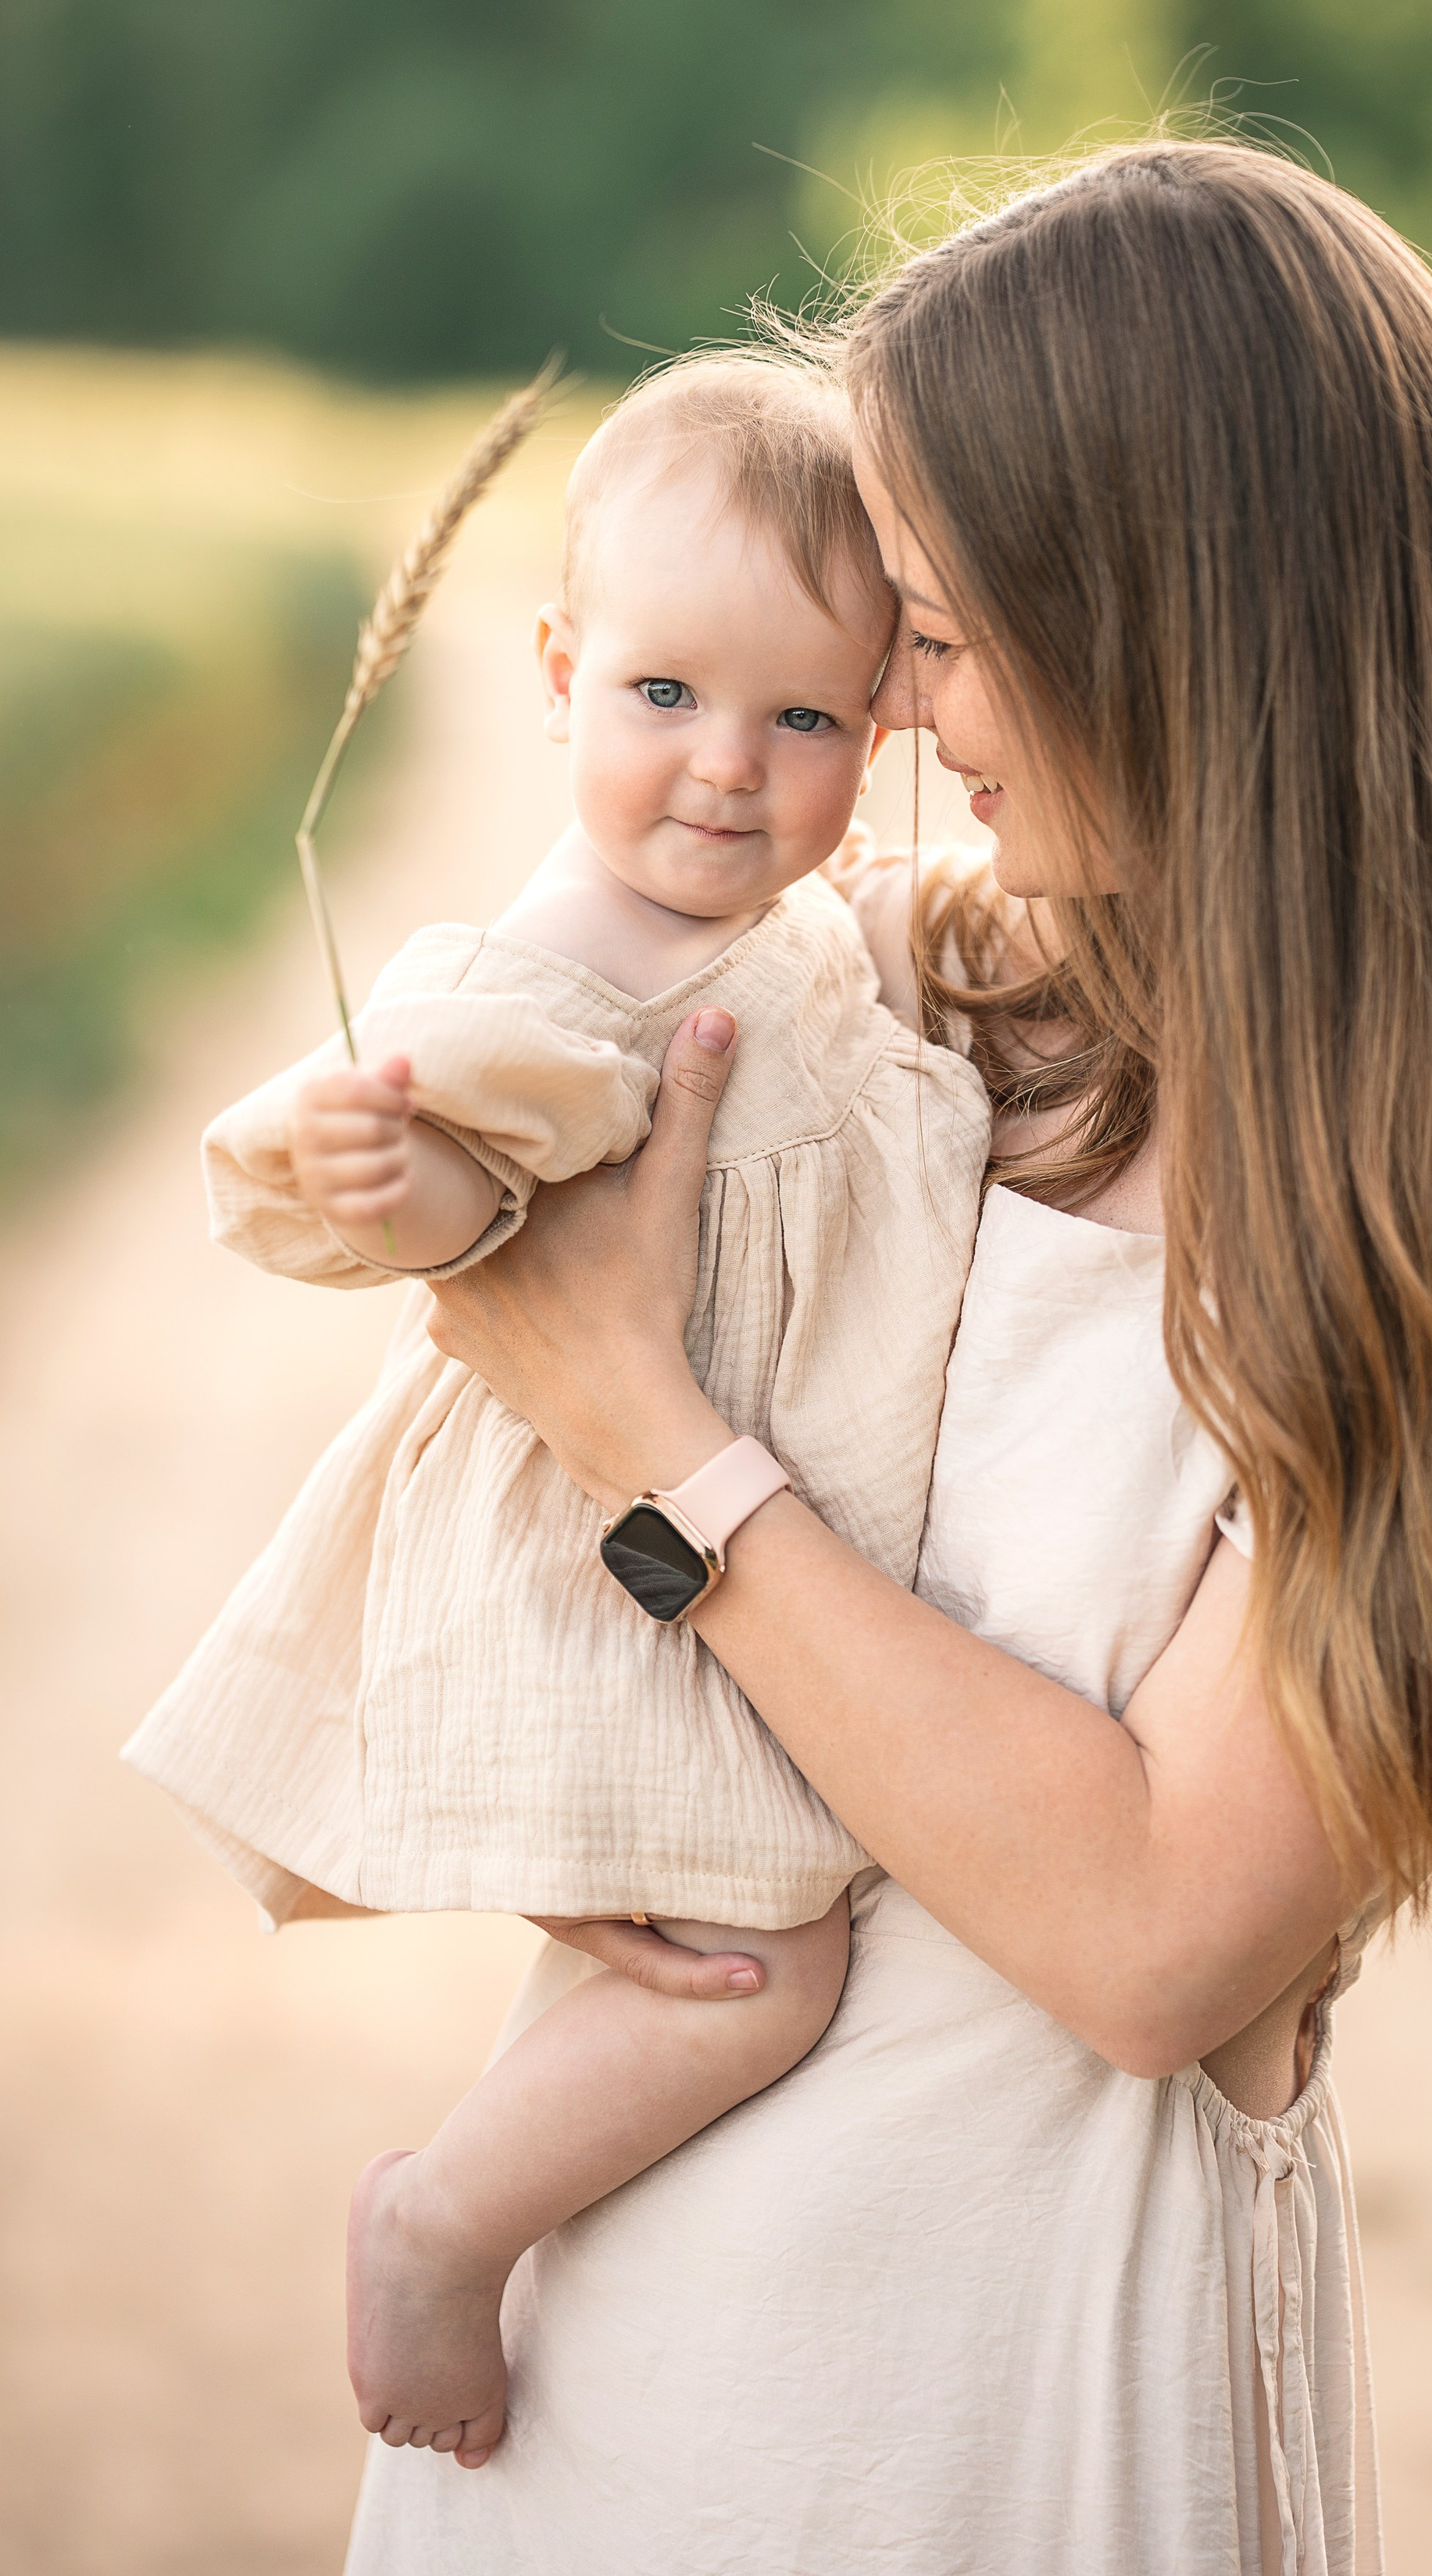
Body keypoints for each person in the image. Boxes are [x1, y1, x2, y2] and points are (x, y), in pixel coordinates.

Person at [347, 139, 1432, 2576]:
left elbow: (1146, 1938)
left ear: (1187, 626)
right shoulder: (944, 996)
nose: (899, 711)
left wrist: (647, 1437)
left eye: (954, 629)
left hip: (998, 2397)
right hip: (617, 2360)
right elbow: (578, 998)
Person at [123, 354, 991, 2469]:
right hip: (621, 1563)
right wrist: (383, 1168)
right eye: (666, 696)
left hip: (728, 1520)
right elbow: (464, 1172)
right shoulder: (566, 967)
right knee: (762, 1968)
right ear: (556, 673)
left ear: (882, 725)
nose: (726, 769)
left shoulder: (788, 932)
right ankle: (442, 2218)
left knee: (792, 1926)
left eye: (803, 718)